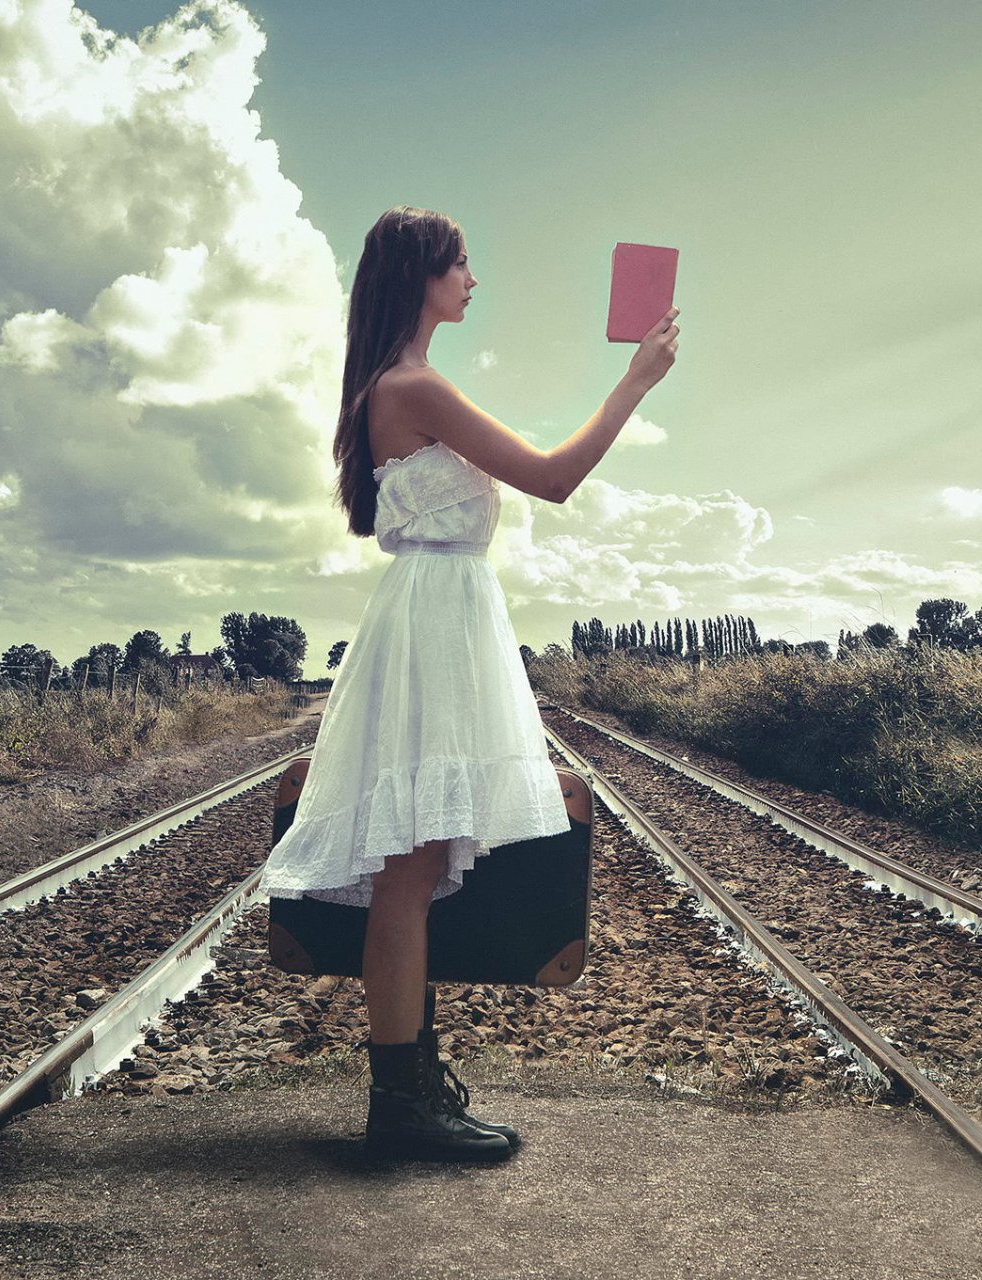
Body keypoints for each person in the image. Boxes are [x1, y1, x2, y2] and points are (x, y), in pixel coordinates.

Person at [259, 205, 680, 1159]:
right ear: (422, 277)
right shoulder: (413, 386)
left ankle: (407, 1093)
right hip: (437, 624)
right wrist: (634, 383)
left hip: (437, 618)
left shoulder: (394, 384)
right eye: (461, 266)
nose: (473, 281)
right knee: (408, 872)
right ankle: (401, 1108)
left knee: (413, 867)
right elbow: (556, 474)